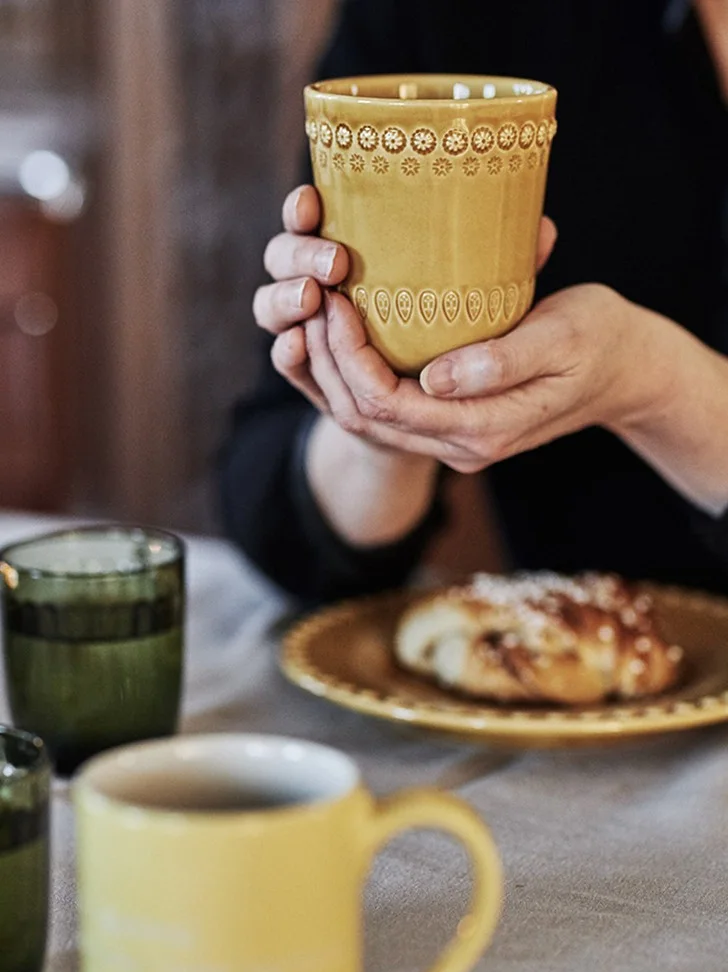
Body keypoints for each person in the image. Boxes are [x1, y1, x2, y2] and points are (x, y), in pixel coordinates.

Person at [219, 0, 728, 605]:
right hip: (560, 667)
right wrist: (381, 419)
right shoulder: (441, 20)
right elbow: (275, 518)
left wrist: (655, 382)